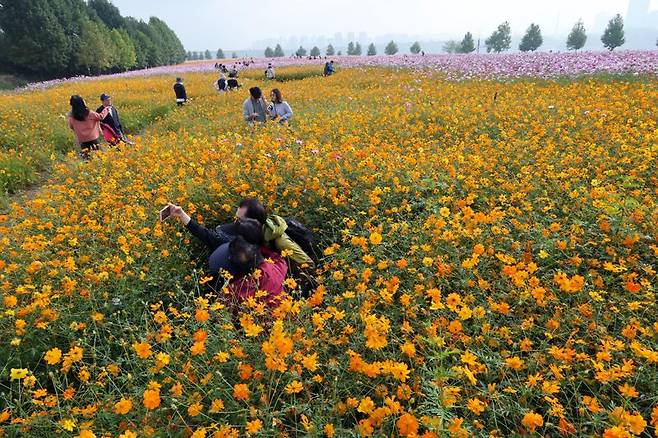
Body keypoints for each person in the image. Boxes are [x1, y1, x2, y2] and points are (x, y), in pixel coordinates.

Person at [167, 204, 288, 306]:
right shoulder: (277, 265)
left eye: (240, 220)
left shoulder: (235, 293)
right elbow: (278, 259)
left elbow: (218, 314)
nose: (235, 222)